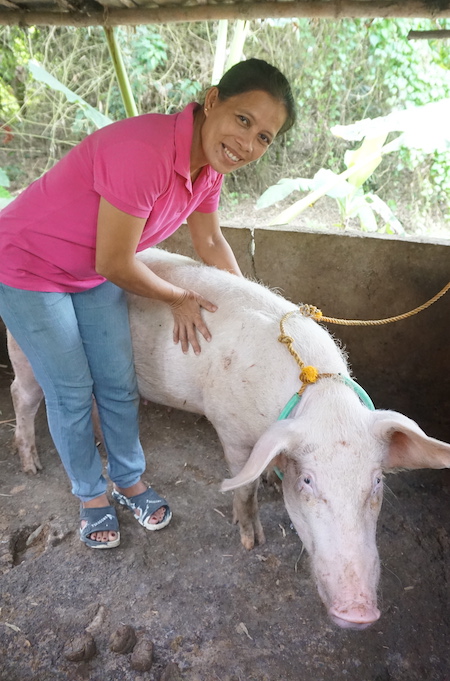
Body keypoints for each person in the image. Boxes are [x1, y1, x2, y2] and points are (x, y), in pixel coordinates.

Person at [0, 58, 296, 549]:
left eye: (264, 137)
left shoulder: (208, 169)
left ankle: (129, 480)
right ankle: (92, 496)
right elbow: (117, 260)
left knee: (118, 381)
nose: (248, 144)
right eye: (244, 120)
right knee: (72, 390)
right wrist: (178, 296)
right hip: (30, 264)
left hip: (90, 268)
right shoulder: (146, 151)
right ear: (212, 98)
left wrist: (256, 312)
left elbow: (210, 241)